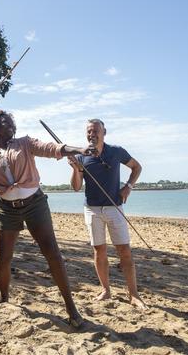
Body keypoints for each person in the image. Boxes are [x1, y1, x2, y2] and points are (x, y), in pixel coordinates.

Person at [0, 110, 96, 328]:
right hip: (7, 209)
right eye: (3, 122)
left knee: (52, 253)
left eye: (10, 121)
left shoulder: (25, 143)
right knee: (2, 257)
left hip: (35, 205)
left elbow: (52, 149)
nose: (9, 123)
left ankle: (71, 308)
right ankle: (3, 296)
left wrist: (79, 149)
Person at [69, 118, 147, 309]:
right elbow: (76, 187)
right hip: (92, 209)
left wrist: (128, 187)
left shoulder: (116, 151)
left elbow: (137, 167)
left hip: (115, 207)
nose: (92, 134)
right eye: (89, 131)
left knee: (124, 250)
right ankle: (106, 290)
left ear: (104, 132)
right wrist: (76, 170)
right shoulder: (81, 156)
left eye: (96, 131)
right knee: (99, 250)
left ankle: (134, 295)